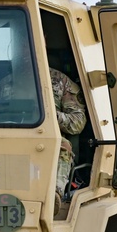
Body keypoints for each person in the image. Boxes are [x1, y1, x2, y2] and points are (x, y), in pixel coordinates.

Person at [50, 67, 87, 212]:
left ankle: (54, 195)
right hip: (8, 139)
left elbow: (78, 123)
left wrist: (50, 116)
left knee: (62, 146)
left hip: (49, 141)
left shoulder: (60, 81)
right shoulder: (6, 81)